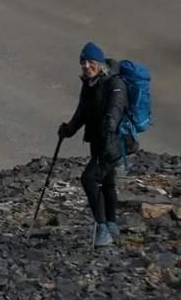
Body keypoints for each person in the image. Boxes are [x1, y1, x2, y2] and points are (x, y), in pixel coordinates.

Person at [58, 41, 129, 247]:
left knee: (89, 179)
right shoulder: (89, 85)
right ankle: (112, 226)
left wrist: (110, 125)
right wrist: (68, 130)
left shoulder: (114, 84)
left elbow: (116, 108)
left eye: (91, 62)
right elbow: (82, 113)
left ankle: (102, 230)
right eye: (83, 62)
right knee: (107, 182)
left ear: (100, 63)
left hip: (113, 143)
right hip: (98, 141)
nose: (86, 66)